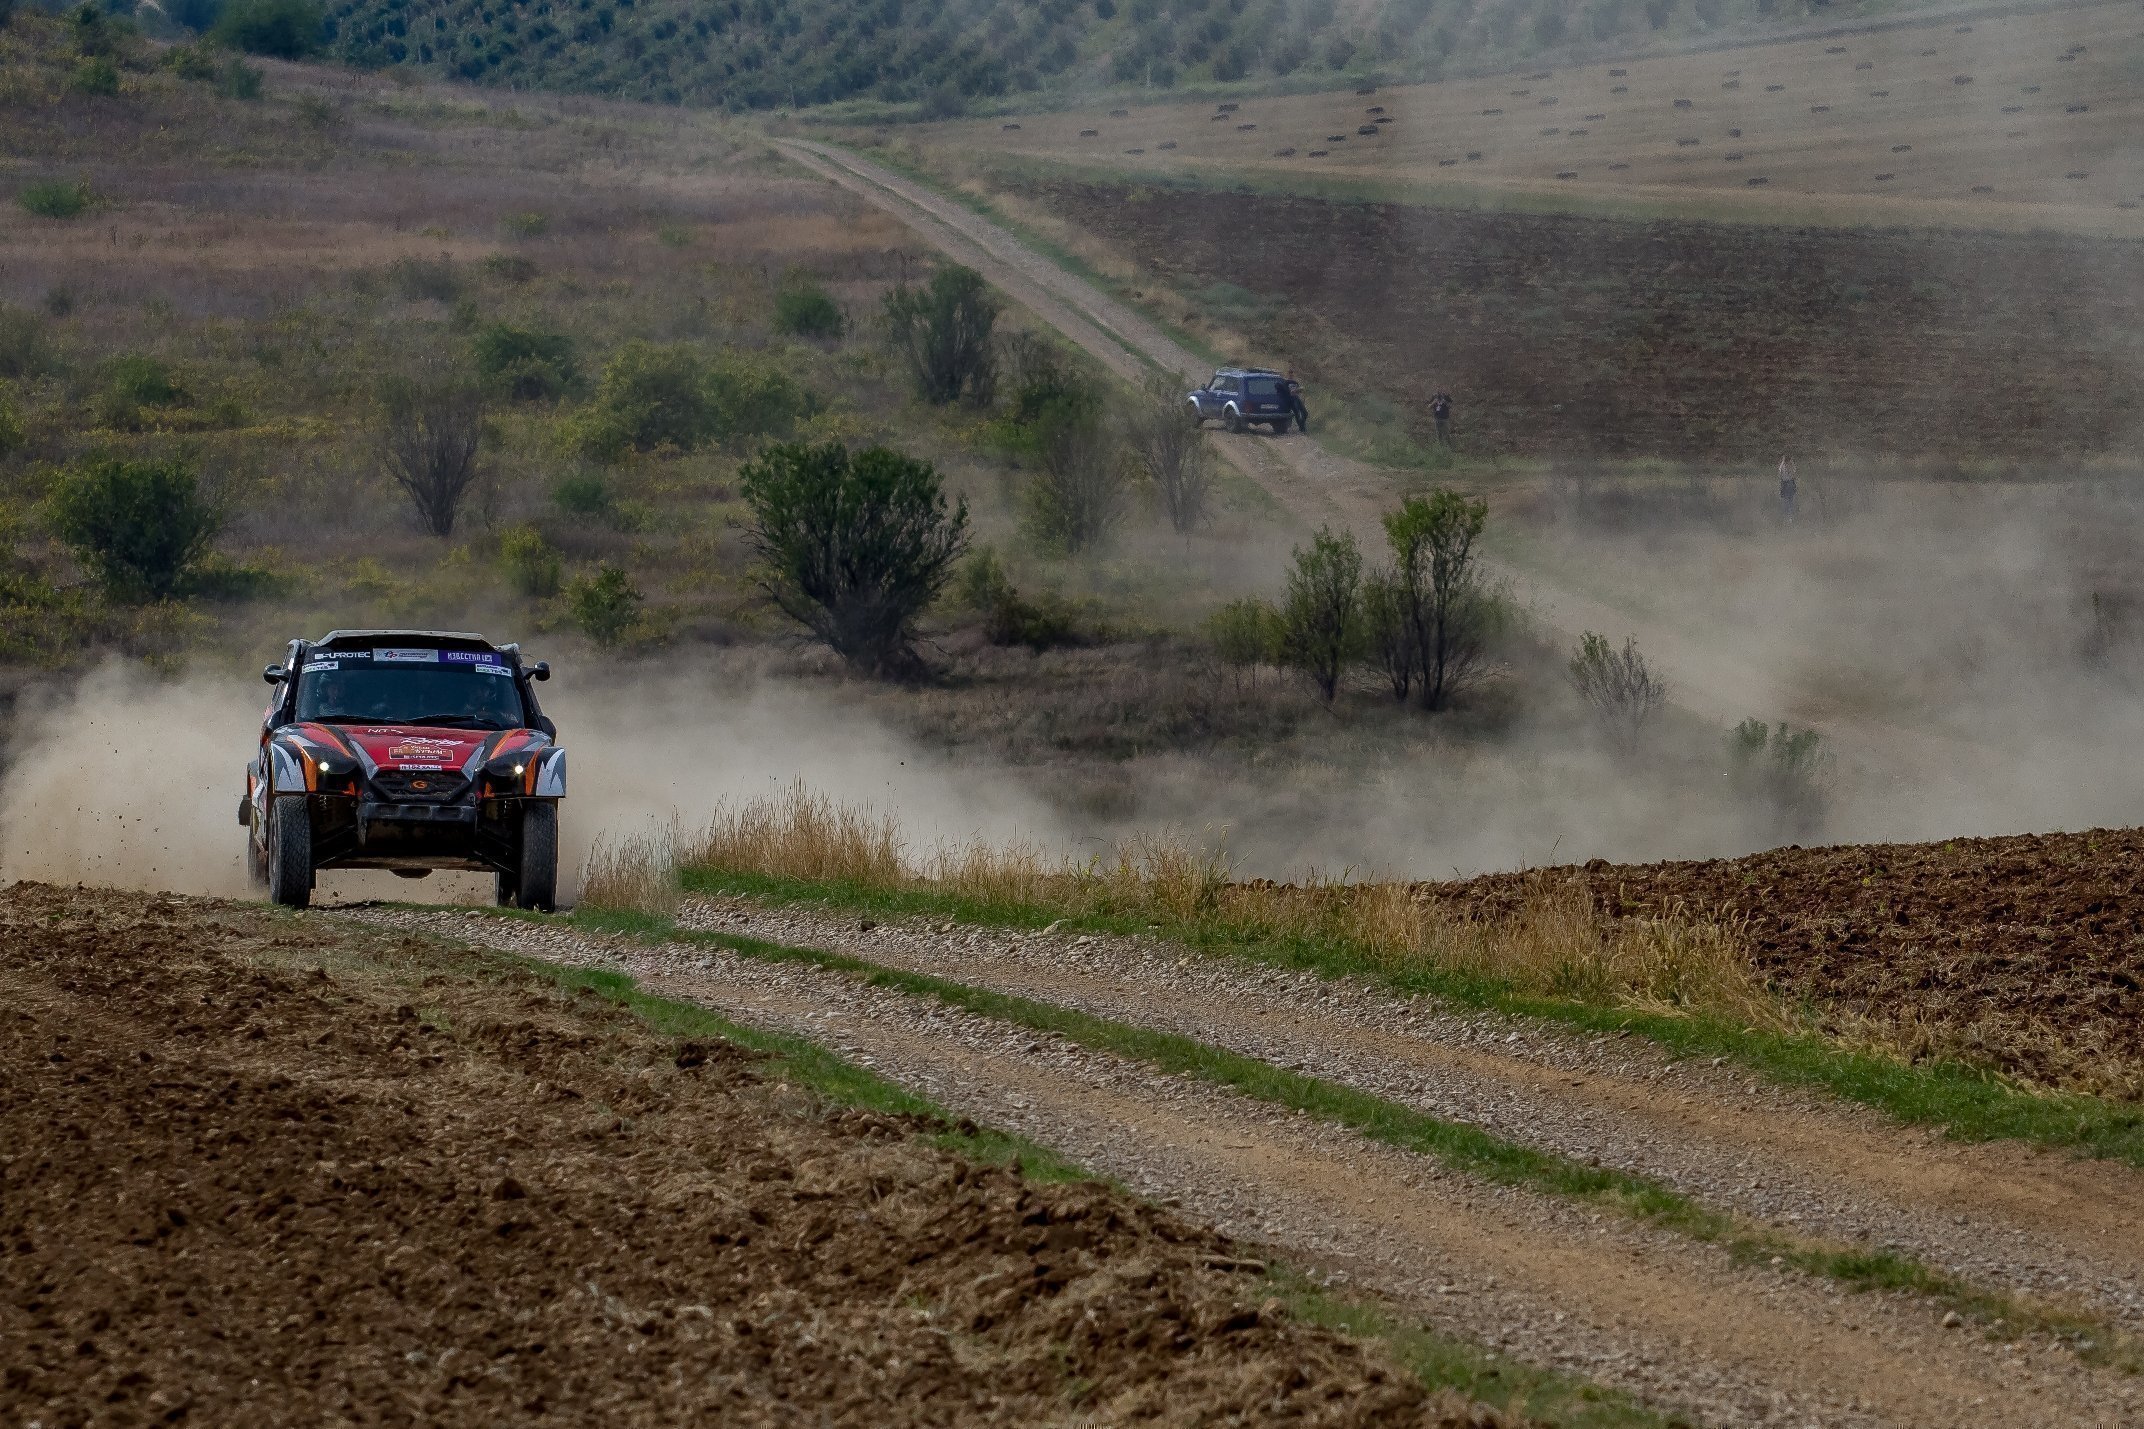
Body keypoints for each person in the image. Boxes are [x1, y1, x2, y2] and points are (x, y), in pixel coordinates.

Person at [1777, 453, 1797, 520]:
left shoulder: (1783, 465)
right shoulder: (1790, 465)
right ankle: (1789, 517)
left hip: (1785, 483)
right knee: (1789, 500)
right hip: (1789, 483)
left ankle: (1786, 516)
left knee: (1786, 500)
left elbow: (1780, 472)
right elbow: (1794, 474)